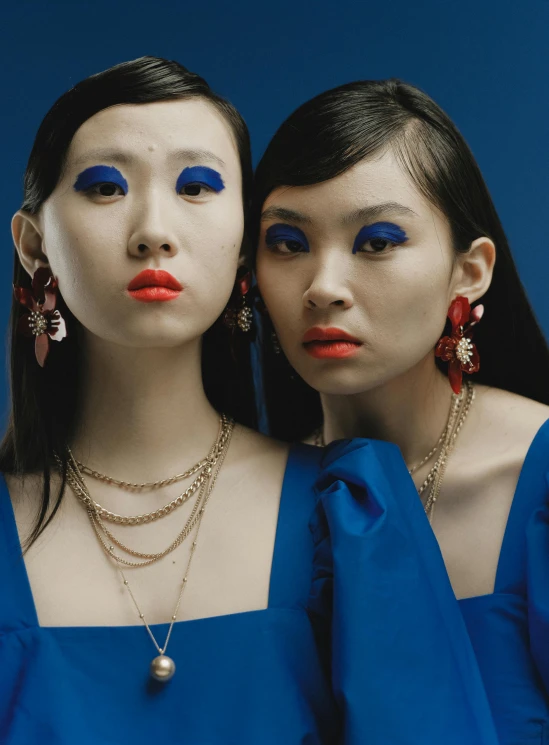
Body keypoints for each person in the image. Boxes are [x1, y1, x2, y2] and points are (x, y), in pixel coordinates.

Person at [0, 59, 498, 744]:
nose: (152, 229)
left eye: (197, 185)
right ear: (33, 246)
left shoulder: (348, 513)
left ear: (245, 244)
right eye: (104, 187)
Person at [254, 78, 549, 744]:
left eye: (377, 240)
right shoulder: (252, 503)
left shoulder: (537, 479)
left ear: (469, 269)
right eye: (287, 243)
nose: (323, 287)